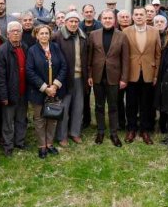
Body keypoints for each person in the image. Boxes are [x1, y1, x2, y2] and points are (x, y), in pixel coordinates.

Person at [87, 9, 129, 147]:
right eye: (104, 18)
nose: (107, 20)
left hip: (114, 77)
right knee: (99, 105)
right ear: (101, 19)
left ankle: (113, 133)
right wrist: (89, 75)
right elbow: (89, 57)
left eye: (110, 18)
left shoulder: (121, 36)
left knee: (113, 106)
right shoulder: (93, 35)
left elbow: (125, 59)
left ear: (114, 20)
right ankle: (100, 131)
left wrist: (124, 78)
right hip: (98, 76)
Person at [122, 7, 162, 144]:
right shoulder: (125, 31)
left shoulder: (154, 31)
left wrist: (156, 75)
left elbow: (158, 55)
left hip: (148, 73)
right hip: (131, 73)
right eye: (136, 14)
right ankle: (131, 129)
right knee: (131, 104)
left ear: (147, 17)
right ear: (132, 17)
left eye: (141, 14)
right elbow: (122, 55)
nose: (139, 17)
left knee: (146, 104)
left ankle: (145, 130)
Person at [26, 25, 66, 159]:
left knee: (52, 118)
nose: (44, 36)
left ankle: (50, 143)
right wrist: (45, 88)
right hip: (39, 91)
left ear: (50, 35)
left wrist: (55, 85)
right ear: (36, 36)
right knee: (39, 119)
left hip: (54, 90)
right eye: (41, 33)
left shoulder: (55, 48)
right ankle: (42, 145)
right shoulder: (32, 50)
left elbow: (63, 66)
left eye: (46, 33)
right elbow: (29, 71)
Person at [53, 11, 88, 146]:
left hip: (80, 77)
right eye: (71, 21)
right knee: (64, 108)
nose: (73, 24)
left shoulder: (83, 36)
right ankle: (62, 136)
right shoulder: (57, 36)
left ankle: (75, 133)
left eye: (76, 21)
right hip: (64, 79)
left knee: (78, 107)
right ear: (65, 22)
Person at [0, 21, 28, 155]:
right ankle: (8, 146)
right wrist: (3, 96)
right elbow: (1, 77)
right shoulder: (3, 50)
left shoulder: (25, 47)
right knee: (8, 121)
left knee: (21, 118)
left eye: (18, 31)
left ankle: (20, 142)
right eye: (13, 31)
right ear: (7, 34)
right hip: (10, 93)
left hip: (24, 91)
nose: (16, 33)